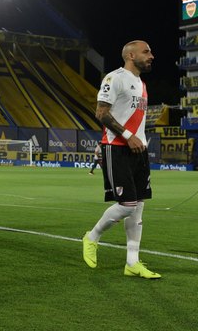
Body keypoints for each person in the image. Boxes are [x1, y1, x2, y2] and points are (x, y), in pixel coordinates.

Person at [82, 40, 160, 279]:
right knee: (127, 205)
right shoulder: (114, 78)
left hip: (139, 151)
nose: (151, 56)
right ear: (130, 55)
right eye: (146, 51)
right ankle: (91, 237)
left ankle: (132, 263)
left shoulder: (142, 84)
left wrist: (139, 141)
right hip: (117, 148)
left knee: (138, 208)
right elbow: (101, 113)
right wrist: (128, 137)